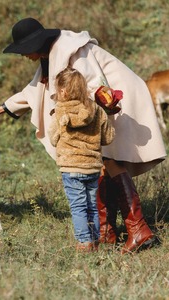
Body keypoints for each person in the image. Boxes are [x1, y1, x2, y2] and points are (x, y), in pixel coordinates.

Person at [0, 17, 167, 254]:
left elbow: (97, 85)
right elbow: (34, 91)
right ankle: (107, 233)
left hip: (118, 99)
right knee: (104, 162)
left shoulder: (71, 50)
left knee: (111, 160)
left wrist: (97, 113)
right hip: (101, 105)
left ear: (36, 44)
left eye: (25, 50)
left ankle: (138, 230)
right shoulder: (51, 56)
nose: (24, 56)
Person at [48, 67, 115, 252]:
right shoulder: (97, 110)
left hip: (71, 168)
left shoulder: (60, 111)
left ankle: (84, 243)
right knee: (92, 206)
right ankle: (94, 241)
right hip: (92, 167)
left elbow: (53, 139)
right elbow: (108, 138)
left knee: (78, 207)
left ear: (63, 91)